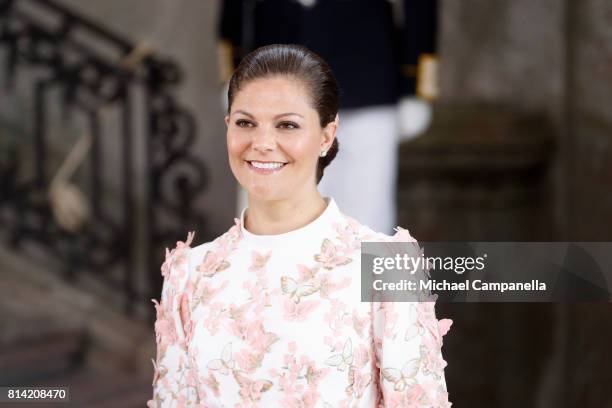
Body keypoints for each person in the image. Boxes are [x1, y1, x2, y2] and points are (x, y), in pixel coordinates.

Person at [148, 44, 451, 407]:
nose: (261, 143)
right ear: (228, 126)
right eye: (246, 123)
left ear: (326, 136)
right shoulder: (188, 274)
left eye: (287, 125)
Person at [218, 0, 440, 235]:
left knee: (367, 216)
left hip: (364, 69)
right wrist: (236, 70)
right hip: (276, 54)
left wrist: (414, 83)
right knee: (272, 213)